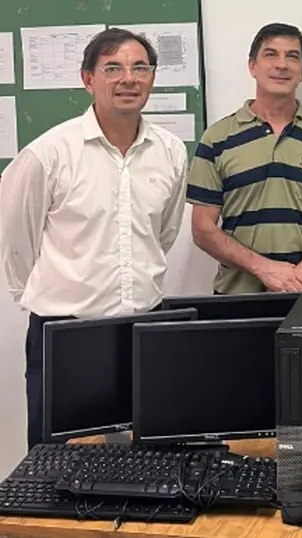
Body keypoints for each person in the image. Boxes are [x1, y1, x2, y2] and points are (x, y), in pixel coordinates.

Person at [0, 28, 187, 450]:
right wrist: (54, 299)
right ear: (88, 79)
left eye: (140, 67)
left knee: (145, 456)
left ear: (152, 78)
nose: (129, 78)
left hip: (144, 328)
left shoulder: (171, 151)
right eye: (113, 68)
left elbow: (165, 233)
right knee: (54, 461)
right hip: (66, 335)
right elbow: (16, 244)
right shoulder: (48, 154)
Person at [187, 23, 302, 294]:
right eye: (271, 54)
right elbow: (202, 228)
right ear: (252, 66)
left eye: (292, 56)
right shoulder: (217, 137)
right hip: (236, 297)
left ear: (301, 71)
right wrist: (263, 268)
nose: (282, 64)